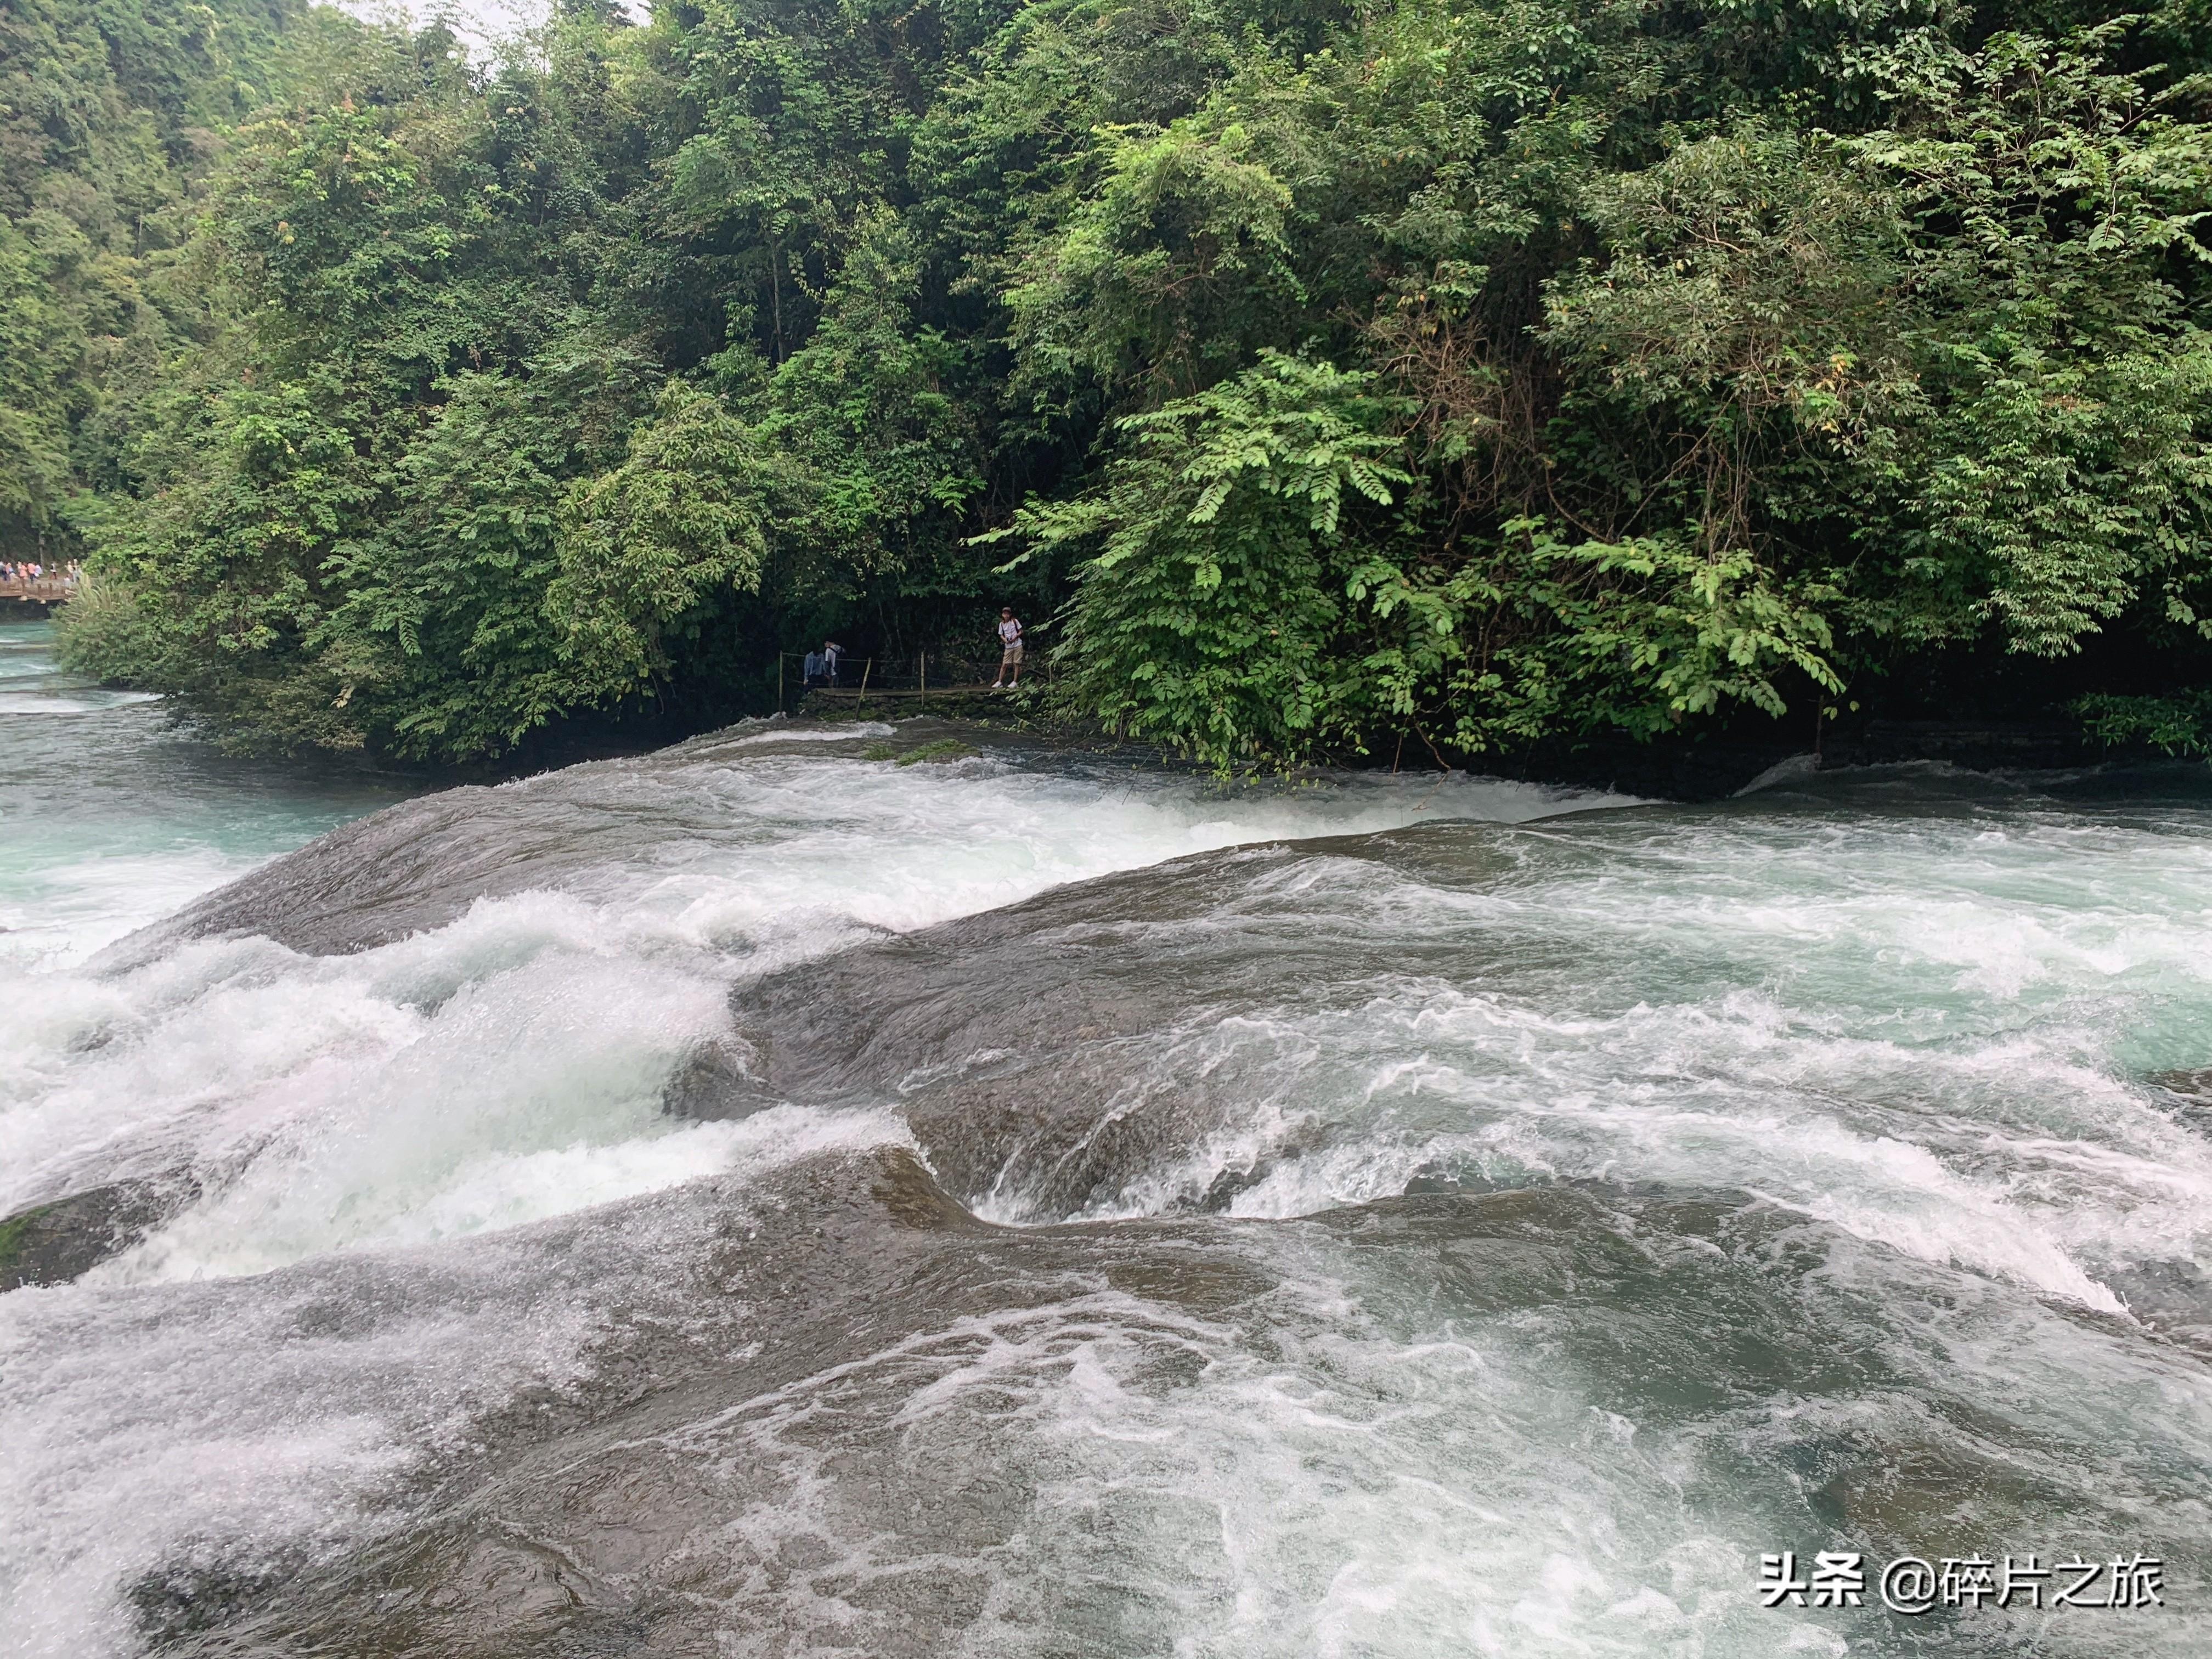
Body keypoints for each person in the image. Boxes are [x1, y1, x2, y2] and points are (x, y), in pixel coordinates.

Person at [992, 608, 1023, 689]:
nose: (1006, 615)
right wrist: (1005, 640)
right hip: (1008, 646)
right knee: (1005, 664)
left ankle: (1015, 682)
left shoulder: (1014, 621)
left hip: (1017, 644)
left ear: (1010, 615)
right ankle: (1000, 682)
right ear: (1002, 615)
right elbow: (1001, 635)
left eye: (1008, 614)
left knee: (1017, 663)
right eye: (1005, 614)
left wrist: (1016, 636)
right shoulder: (1002, 624)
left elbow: (1021, 631)